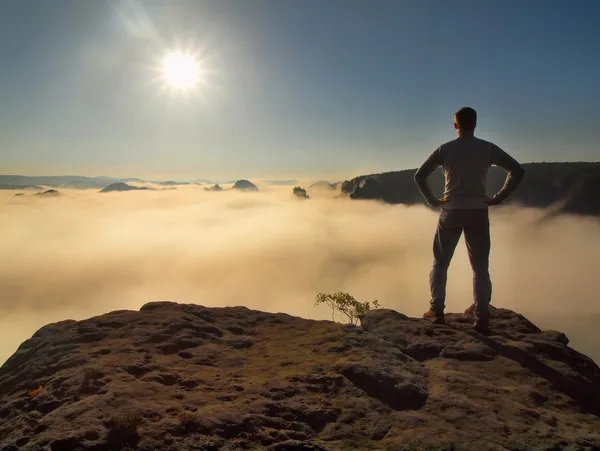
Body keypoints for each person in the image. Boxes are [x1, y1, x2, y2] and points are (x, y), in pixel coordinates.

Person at [414, 107, 524, 334]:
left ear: (455, 125)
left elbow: (420, 175)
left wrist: (433, 201)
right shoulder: (487, 148)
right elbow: (517, 170)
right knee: (480, 267)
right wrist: (499, 197)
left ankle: (437, 310)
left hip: (451, 210)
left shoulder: (445, 149)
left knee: (440, 263)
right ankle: (482, 316)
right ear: (475, 123)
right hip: (478, 210)